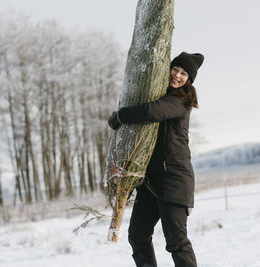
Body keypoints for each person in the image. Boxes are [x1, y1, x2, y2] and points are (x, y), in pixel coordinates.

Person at [107, 52, 204, 267]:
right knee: (137, 236)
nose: (177, 75)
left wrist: (121, 115)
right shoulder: (160, 92)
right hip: (151, 181)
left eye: (184, 73)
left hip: (174, 180)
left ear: (189, 80)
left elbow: (153, 111)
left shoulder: (179, 100)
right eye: (175, 69)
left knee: (176, 241)